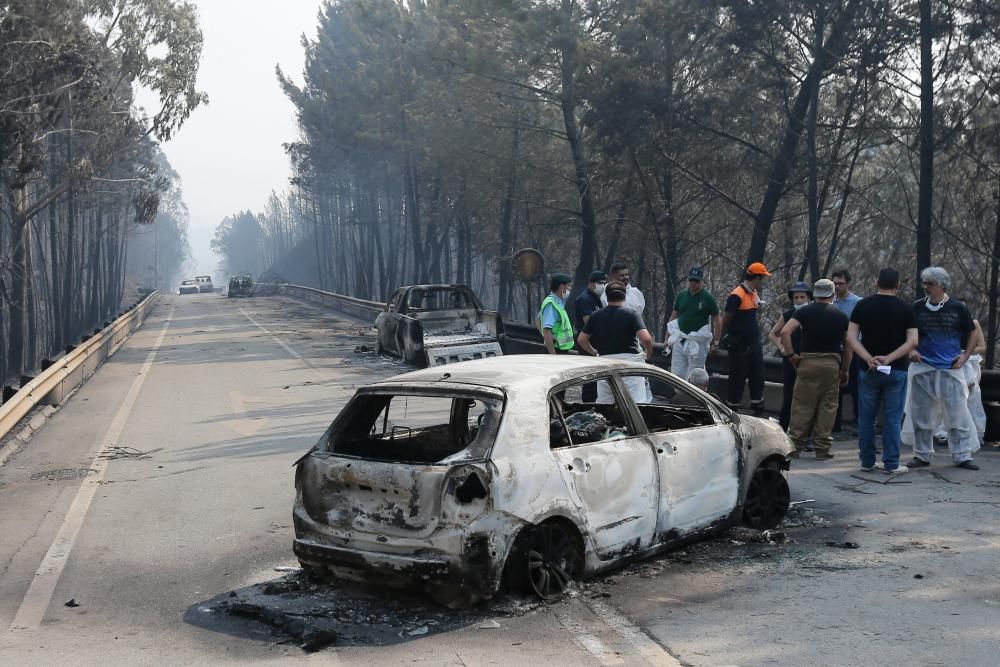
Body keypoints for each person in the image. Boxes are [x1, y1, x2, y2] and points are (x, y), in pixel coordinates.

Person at [904, 267, 980, 470]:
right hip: (924, 367)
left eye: (929, 283)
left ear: (941, 285)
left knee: (957, 414)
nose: (925, 287)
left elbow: (972, 333)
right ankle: (922, 454)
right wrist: (911, 350)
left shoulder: (957, 307)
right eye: (925, 283)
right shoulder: (917, 307)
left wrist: (965, 355)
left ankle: (962, 455)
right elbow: (908, 332)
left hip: (950, 368)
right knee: (921, 415)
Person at [847, 268, 918, 474]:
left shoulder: (862, 306)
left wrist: (869, 358)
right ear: (897, 285)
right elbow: (913, 341)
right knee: (893, 419)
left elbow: (851, 338)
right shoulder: (905, 309)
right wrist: (889, 358)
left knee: (866, 418)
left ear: (877, 283)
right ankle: (891, 463)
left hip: (868, 369)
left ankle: (867, 462)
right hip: (895, 369)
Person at [780, 278, 852, 459]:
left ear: (815, 294)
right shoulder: (841, 316)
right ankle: (822, 449)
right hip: (831, 365)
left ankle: (795, 446)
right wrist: (844, 370)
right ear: (832, 294)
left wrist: (791, 355)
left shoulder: (804, 312)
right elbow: (848, 345)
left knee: (802, 404)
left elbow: (785, 332)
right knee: (827, 407)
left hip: (808, 363)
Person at [577, 281, 654, 402]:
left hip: (605, 364)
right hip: (630, 365)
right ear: (624, 296)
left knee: (606, 404)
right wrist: (648, 353)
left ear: (607, 296)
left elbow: (582, 339)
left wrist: (594, 352)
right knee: (636, 403)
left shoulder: (595, 316)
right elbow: (646, 339)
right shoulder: (632, 315)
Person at [720, 262, 771, 411]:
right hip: (740, 345)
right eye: (762, 278)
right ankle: (732, 409)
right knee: (737, 379)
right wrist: (724, 338)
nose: (763, 282)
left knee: (757, 376)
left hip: (754, 343)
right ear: (756, 277)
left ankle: (757, 406)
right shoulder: (737, 295)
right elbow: (726, 319)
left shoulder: (753, 293)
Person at [768, 281, 812, 431]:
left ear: (809, 298)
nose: (799, 300)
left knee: (807, 398)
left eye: (802, 297)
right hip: (790, 360)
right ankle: (783, 428)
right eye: (796, 298)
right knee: (788, 398)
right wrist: (782, 347)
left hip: (807, 360)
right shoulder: (788, 315)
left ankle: (804, 432)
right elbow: (773, 334)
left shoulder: (812, 313)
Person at [666, 266, 721, 381]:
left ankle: (694, 396)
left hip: (697, 341)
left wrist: (716, 342)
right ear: (688, 280)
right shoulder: (681, 295)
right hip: (680, 338)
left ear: (701, 281)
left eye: (696, 281)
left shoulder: (707, 298)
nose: (693, 283)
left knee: (696, 373)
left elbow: (717, 320)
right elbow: (674, 316)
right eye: (691, 280)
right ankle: (679, 396)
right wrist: (667, 337)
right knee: (677, 372)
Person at [832, 269, 863, 431]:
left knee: (856, 386)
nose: (837, 287)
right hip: (835, 349)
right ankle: (835, 423)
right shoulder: (831, 302)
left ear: (848, 283)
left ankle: (858, 420)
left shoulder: (857, 302)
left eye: (841, 283)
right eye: (835, 283)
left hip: (854, 350)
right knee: (835, 387)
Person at [574, 271, 607, 402]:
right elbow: (589, 322)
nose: (603, 286)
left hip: (596, 341)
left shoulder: (597, 298)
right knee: (590, 378)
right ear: (591, 283)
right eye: (600, 283)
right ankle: (588, 403)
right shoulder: (585, 299)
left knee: (597, 378)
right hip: (587, 342)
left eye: (604, 283)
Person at [538, 273, 574, 355]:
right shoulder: (551, 304)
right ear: (561, 287)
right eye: (567, 286)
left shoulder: (558, 302)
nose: (569, 288)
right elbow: (547, 331)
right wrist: (553, 355)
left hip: (561, 349)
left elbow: (538, 320)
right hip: (556, 350)